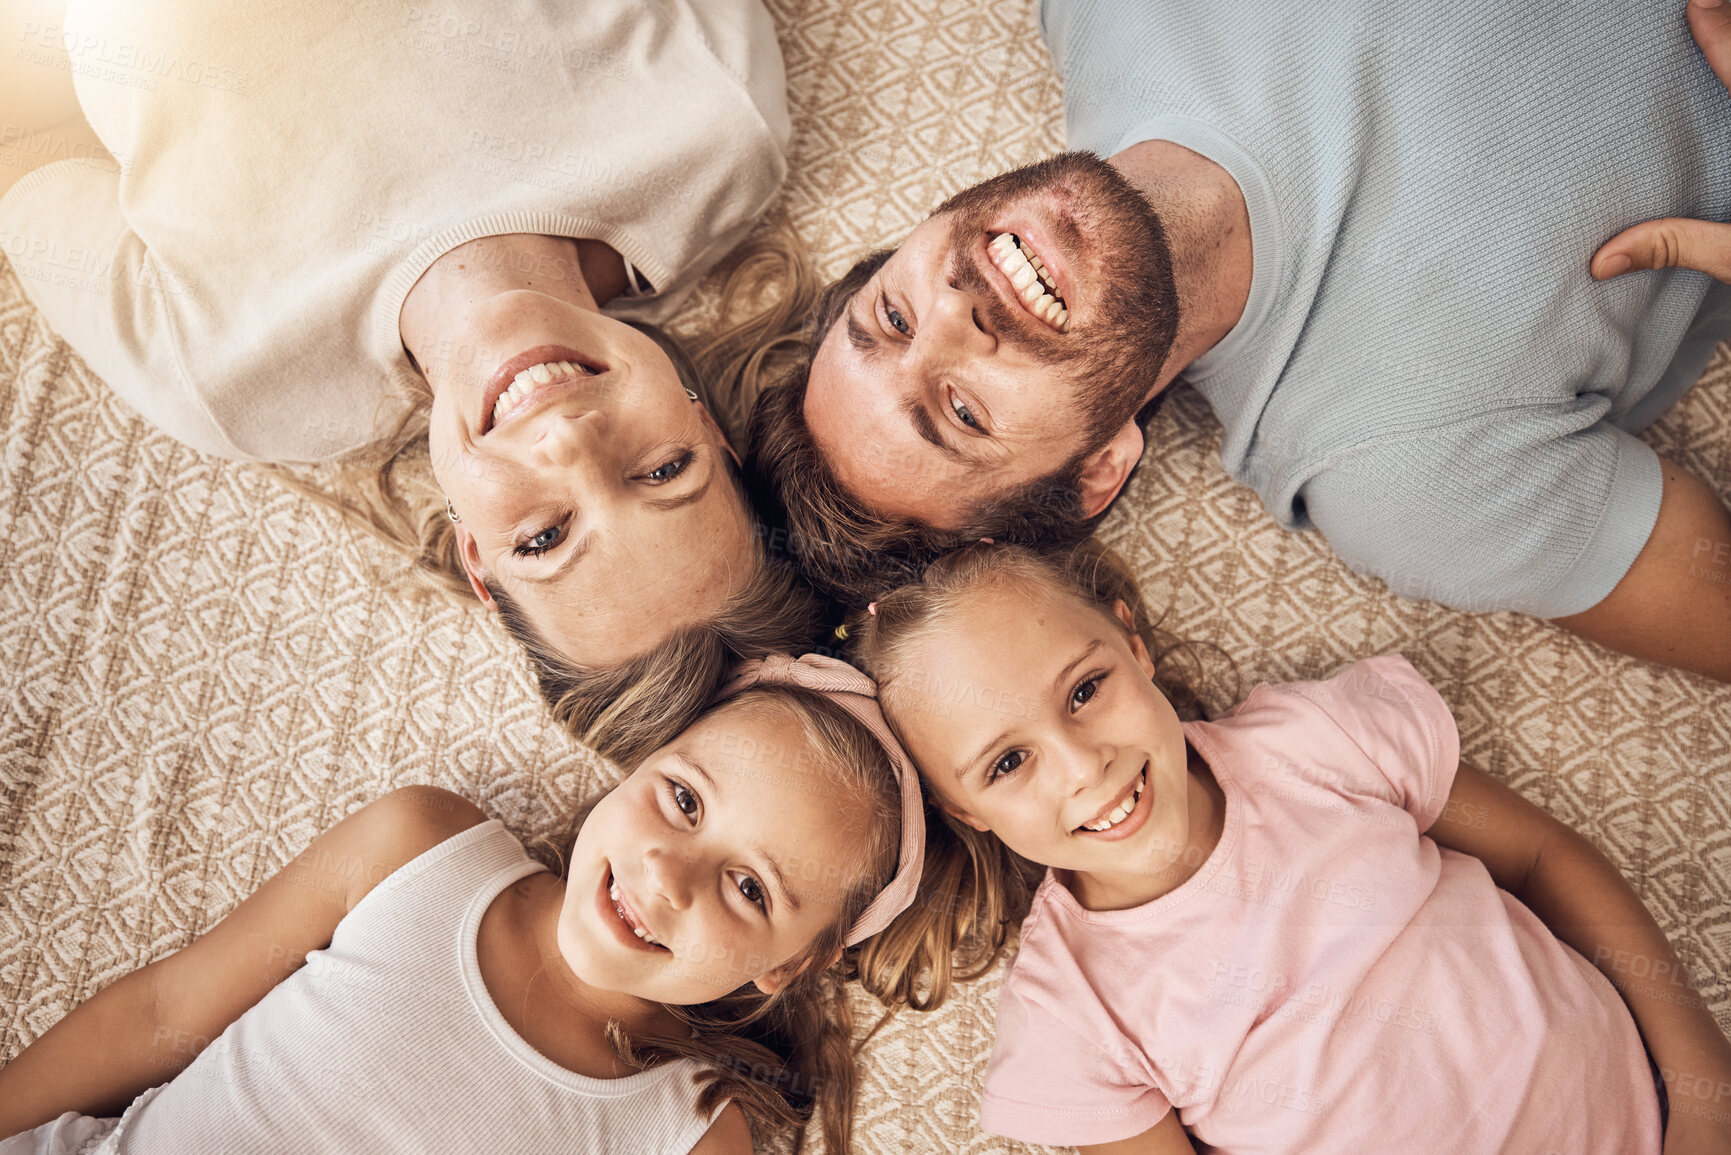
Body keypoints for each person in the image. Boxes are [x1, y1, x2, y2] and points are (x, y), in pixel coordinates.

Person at [747, 0, 1731, 683]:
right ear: (1098, 469)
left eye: (892, 317)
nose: (959, 313)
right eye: (959, 412)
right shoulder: (1411, 484)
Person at [0, 0, 823, 764]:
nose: (568, 440)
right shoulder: (718, 133)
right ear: (707, 426)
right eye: (662, 471)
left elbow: (20, 156)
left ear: (477, 558)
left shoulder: (229, 381)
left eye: (542, 538)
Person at [845, 543, 1731, 1153]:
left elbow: (1545, 858)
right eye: (1007, 762)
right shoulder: (1073, 1014)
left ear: (1132, 643)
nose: (1084, 766)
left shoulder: (1317, 743)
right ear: (964, 811)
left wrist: (1701, 1084)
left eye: (1085, 689)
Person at [0, 653, 928, 1154]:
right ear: (638, 763)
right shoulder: (424, 849)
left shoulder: (684, 1130)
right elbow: (164, 1012)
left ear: (786, 965)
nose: (668, 874)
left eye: (748, 886)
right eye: (682, 798)